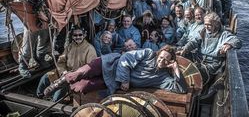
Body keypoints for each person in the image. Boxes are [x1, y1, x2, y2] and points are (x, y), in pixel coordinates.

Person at [44, 45, 187, 96]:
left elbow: (180, 89)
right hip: (111, 63)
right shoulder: (149, 53)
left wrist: (176, 69)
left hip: (113, 82)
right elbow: (126, 58)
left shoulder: (163, 77)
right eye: (161, 57)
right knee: (81, 72)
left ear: (170, 62)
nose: (162, 61)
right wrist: (125, 80)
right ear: (159, 54)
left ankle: (67, 88)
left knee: (83, 87)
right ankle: (57, 84)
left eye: (167, 60)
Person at [177, 12, 242, 84]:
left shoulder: (223, 34)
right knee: (177, 56)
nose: (206, 27)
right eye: (205, 24)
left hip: (211, 64)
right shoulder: (203, 32)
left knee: (196, 72)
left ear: (216, 24)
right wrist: (185, 49)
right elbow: (193, 42)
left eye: (209, 25)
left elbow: (237, 41)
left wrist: (229, 44)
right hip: (198, 59)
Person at [36, 26, 97, 101]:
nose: (78, 37)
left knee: (57, 94)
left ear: (84, 35)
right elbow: (61, 61)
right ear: (72, 36)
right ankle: (39, 96)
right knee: (45, 78)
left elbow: (90, 68)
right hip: (64, 71)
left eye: (80, 35)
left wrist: (74, 75)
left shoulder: (90, 49)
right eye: (75, 35)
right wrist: (63, 71)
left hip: (76, 76)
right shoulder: (69, 47)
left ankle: (53, 103)